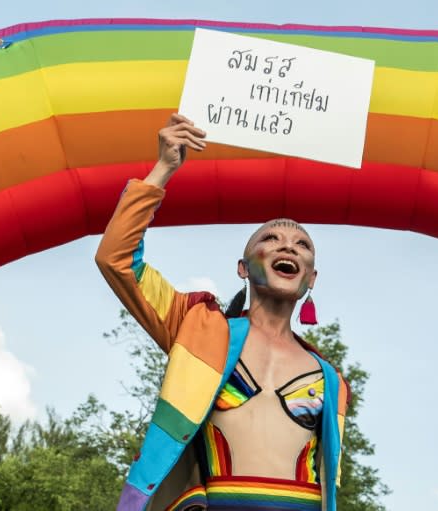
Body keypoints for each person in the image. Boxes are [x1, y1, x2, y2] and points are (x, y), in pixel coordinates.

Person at [95, 114, 350, 511]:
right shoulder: (197, 325)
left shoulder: (331, 379)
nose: (288, 247)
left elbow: (328, 480)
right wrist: (164, 167)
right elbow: (117, 260)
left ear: (310, 278)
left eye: (302, 244)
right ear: (242, 267)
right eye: (271, 238)